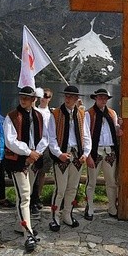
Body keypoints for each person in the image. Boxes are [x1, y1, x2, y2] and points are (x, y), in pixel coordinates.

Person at [3, 86, 48, 252]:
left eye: (27, 98)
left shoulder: (39, 116)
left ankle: (20, 224)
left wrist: (36, 153)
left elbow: (45, 137)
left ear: (34, 100)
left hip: (34, 160)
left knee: (27, 194)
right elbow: (10, 140)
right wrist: (28, 152)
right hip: (17, 161)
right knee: (24, 196)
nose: (23, 100)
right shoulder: (11, 117)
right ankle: (27, 234)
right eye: (22, 97)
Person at [47, 85, 90, 232]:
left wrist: (86, 153)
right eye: (66, 95)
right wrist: (59, 153)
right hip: (62, 154)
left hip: (77, 155)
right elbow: (51, 138)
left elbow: (86, 136)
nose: (68, 98)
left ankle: (67, 215)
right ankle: (54, 216)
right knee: (60, 188)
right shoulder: (56, 114)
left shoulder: (83, 114)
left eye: (71, 96)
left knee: (72, 188)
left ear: (77, 98)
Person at [84, 88, 121, 220]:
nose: (103, 100)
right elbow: (85, 135)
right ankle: (89, 207)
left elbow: (116, 130)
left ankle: (112, 207)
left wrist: (120, 129)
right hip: (95, 152)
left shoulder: (112, 113)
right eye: (100, 97)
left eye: (105, 98)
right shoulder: (88, 114)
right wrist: (87, 155)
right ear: (95, 98)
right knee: (91, 182)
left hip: (110, 151)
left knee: (111, 182)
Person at [30, 87, 53, 213]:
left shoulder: (52, 113)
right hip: (35, 145)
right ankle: (31, 197)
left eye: (47, 96)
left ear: (50, 98)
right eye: (43, 96)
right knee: (33, 171)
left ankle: (38, 196)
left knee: (42, 173)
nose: (45, 98)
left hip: (46, 146)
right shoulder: (34, 110)